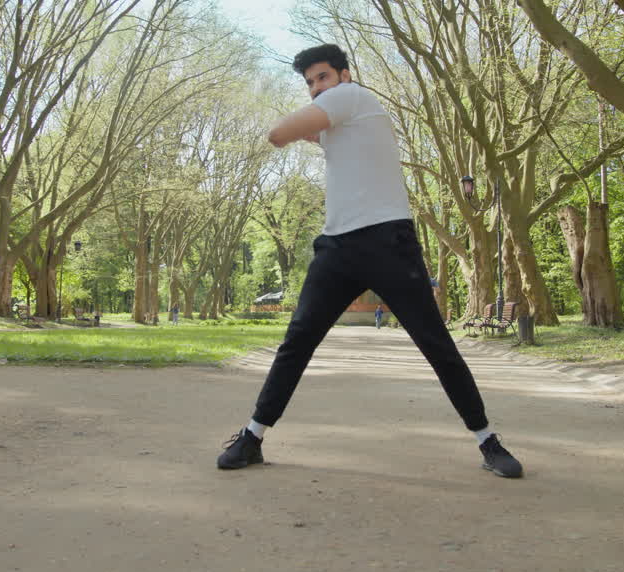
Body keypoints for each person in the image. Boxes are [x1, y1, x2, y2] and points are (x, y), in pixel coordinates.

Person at [216, 44, 523, 478]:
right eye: (309, 83)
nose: (316, 88)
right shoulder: (346, 115)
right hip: (337, 247)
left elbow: (278, 134)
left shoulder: (351, 96)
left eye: (322, 77)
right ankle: (252, 437)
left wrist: (302, 127)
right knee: (297, 341)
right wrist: (313, 131)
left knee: (434, 343)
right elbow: (318, 135)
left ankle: (487, 439)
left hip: (386, 242)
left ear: (344, 75)